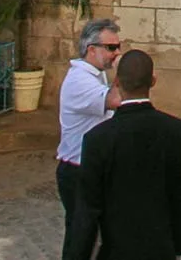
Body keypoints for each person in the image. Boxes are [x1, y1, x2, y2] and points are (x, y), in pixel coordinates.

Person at [67, 50, 181, 260]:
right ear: (153, 81)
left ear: (116, 82)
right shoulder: (175, 130)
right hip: (160, 249)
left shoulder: (98, 138)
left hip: (116, 251)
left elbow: (88, 210)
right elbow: (180, 193)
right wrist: (177, 245)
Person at [57, 19, 123, 260]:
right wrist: (125, 70)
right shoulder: (79, 80)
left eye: (118, 47)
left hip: (91, 168)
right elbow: (115, 100)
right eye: (111, 48)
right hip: (78, 170)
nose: (116, 53)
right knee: (80, 240)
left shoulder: (96, 75)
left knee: (97, 236)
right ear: (91, 49)